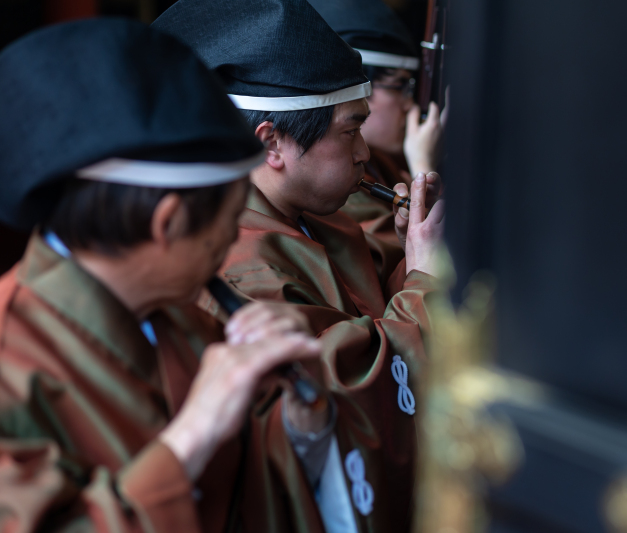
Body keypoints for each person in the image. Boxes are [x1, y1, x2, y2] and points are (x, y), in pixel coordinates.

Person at [0, 19, 327, 532]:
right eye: (232, 213)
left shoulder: (186, 318)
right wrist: (194, 431)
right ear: (168, 221)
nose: (235, 234)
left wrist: (301, 421)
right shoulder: (9, 356)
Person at [153, 0, 444, 531]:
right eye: (349, 130)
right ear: (272, 144)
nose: (362, 153)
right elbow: (348, 389)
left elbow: (371, 325)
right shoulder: (239, 263)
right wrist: (424, 280)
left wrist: (409, 255)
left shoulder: (324, 221)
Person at [309, 0, 448, 244]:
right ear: (359, 88)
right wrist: (423, 166)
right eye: (399, 86)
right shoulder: (333, 177)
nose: (409, 105)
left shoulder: (381, 162)